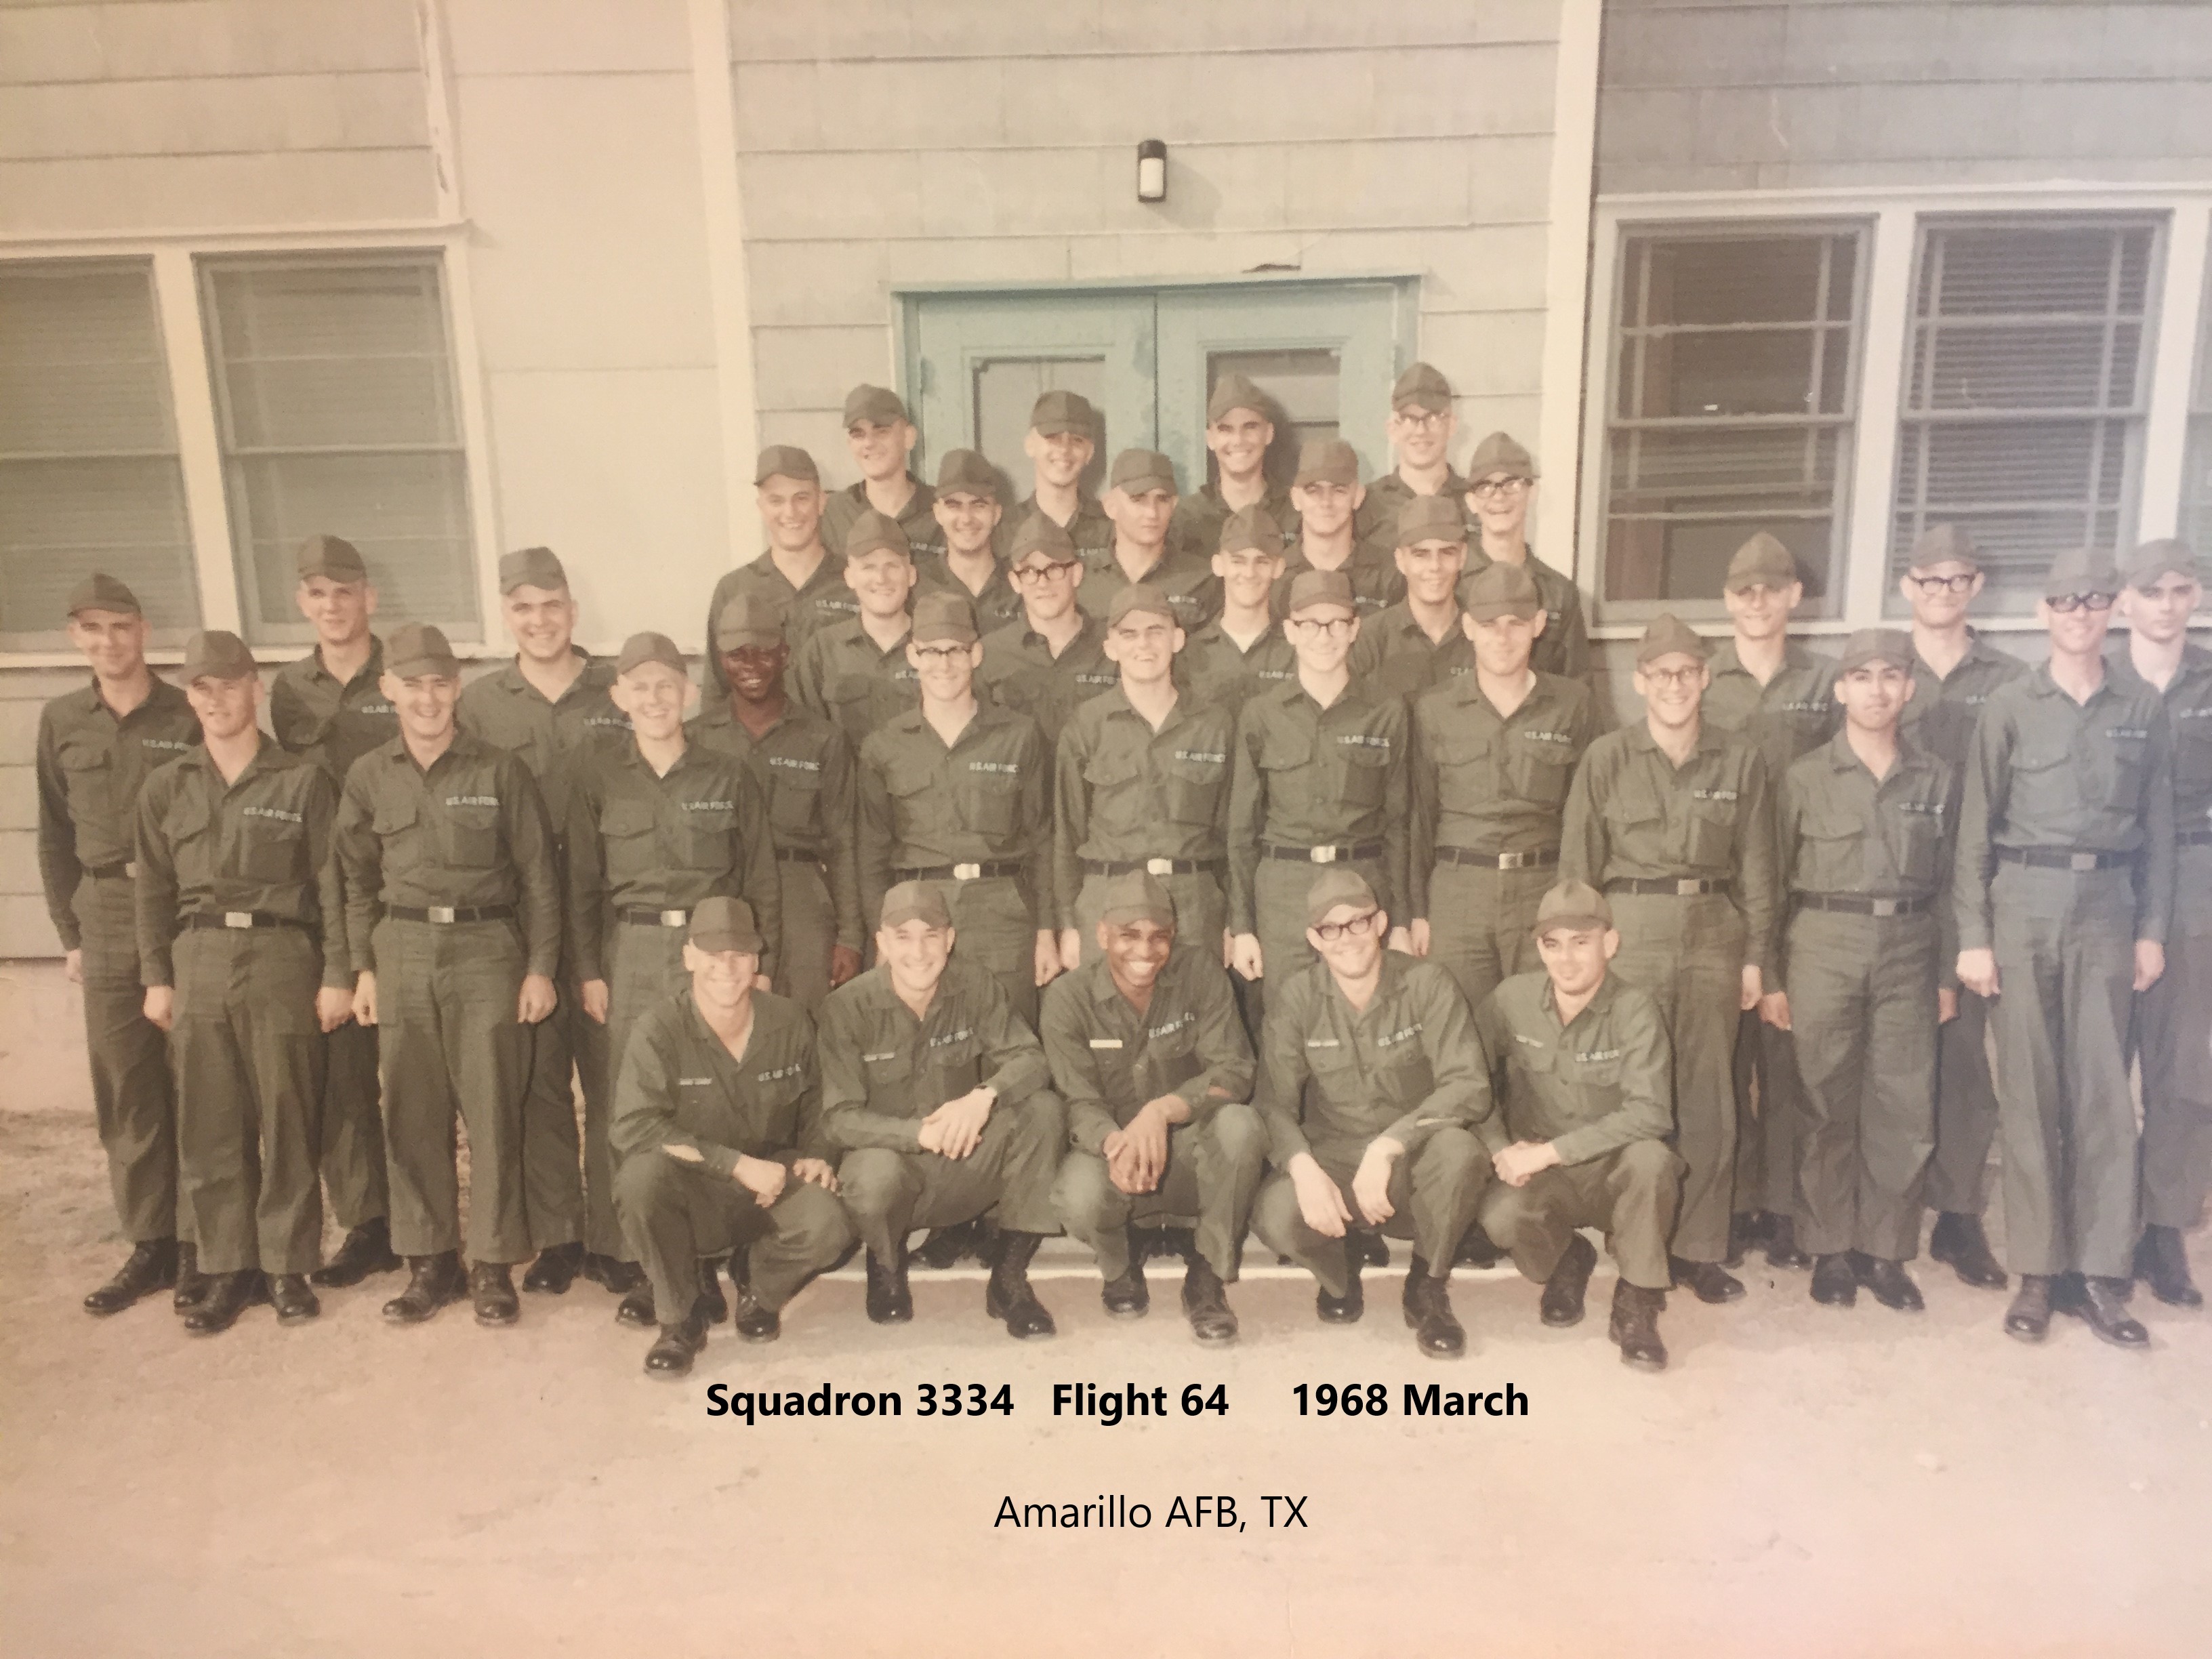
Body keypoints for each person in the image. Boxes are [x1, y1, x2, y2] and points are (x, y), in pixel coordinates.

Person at [1955, 549, 2175, 1348]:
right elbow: (1975, 829)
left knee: (2105, 1097)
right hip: (2025, 904)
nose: (2079, 613)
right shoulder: (2010, 704)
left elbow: (2159, 832)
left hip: (2109, 909)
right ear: (2042, 613)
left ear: (2112, 608)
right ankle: (2039, 1272)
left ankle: (2102, 1275)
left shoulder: (2141, 706)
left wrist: (2151, 930)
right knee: (2030, 1094)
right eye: (2064, 601)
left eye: (2093, 599)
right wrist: (1974, 937)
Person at [331, 623, 562, 1327]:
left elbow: (539, 877)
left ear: (457, 688)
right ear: (388, 690)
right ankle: (430, 1264)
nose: (427, 699)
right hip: (401, 949)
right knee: (412, 1112)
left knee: (492, 1109)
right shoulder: (368, 775)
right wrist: (362, 968)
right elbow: (353, 882)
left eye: (439, 684)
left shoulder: (499, 770)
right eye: (413, 685)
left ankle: (492, 1263)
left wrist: (540, 968)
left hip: (486, 948)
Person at [1561, 613, 1778, 1306]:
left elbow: (1759, 869)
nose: (1675, 686)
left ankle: (1701, 1249)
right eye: (1661, 675)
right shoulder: (1607, 758)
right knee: (1638, 1093)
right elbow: (1579, 871)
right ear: (1640, 682)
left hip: (1713, 932)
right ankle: (1639, 1245)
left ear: (1705, 677)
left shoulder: (1739, 759)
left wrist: (1756, 958)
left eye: (1687, 672)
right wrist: (1583, 954)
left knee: (1710, 1096)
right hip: (1631, 932)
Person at [134, 630, 344, 1334]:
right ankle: (229, 1267)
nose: (217, 699)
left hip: (281, 955)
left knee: (287, 1113)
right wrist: (157, 977)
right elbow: (152, 892)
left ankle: (286, 1265)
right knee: (211, 1119)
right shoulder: (167, 786)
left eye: (230, 684)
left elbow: (331, 885)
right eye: (202, 688)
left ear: (256, 688)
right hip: (198, 957)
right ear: (189, 698)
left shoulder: (303, 780)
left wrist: (337, 973)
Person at [567, 631, 780, 1320]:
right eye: (641, 687)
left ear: (688, 694)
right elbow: (582, 887)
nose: (655, 699)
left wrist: (759, 965)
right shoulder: (597, 776)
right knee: (629, 1106)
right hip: (632, 951)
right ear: (618, 697)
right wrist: (590, 970)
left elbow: (760, 879)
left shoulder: (728, 775)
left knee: (718, 1100)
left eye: (667, 685)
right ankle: (645, 1264)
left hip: (715, 955)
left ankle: (722, 1257)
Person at [1768, 630, 1954, 1313]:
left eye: (1891, 676)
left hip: (1910, 944)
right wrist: (1773, 974)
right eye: (1863, 677)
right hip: (1824, 943)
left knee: (1903, 1103)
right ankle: (1829, 1249)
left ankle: (1886, 1252)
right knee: (1824, 1099)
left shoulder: (1936, 778)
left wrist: (1946, 974)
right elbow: (1772, 880)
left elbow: (1955, 883)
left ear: (1909, 689)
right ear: (1841, 689)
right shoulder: (1804, 777)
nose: (1878, 690)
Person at [455, 546, 623, 1296]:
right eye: (523, 608)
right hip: (521, 918)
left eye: (551, 605)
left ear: (573, 611)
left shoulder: (615, 689)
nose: (540, 620)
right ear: (506, 616)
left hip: (606, 910)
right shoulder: (481, 705)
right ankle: (561, 1235)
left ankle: (616, 1235)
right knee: (542, 1082)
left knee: (612, 1075)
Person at [39, 573, 203, 1315]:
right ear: (76, 637)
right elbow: (53, 834)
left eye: (122, 626)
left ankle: (201, 1240)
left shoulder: (186, 711)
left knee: (196, 1080)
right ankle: (150, 1242)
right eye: (93, 628)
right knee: (127, 1085)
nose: (109, 642)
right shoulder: (62, 720)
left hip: (178, 908)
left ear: (144, 632)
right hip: (105, 912)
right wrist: (69, 935)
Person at [1249, 869, 1491, 1358]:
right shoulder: (1297, 997)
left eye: (1357, 923)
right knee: (1275, 1215)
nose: (1346, 939)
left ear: (1380, 923)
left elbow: (1469, 1086)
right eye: (1330, 929)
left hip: (1412, 1155)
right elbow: (1273, 1103)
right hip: (1335, 1156)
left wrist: (1389, 1145)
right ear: (1314, 939)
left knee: (1460, 1152)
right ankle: (1339, 1268)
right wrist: (1303, 1167)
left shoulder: (1427, 983)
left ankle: (1427, 1282)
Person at [609, 897, 853, 1377]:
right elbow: (635, 1125)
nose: (727, 969)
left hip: (771, 1182)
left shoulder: (789, 1020)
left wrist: (818, 1155)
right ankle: (679, 1319)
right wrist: (735, 1165)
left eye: (740, 955)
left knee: (830, 1223)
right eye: (713, 955)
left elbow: (819, 1101)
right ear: (688, 957)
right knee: (639, 1181)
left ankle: (757, 1286)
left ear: (757, 961)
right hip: (694, 1184)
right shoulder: (659, 1028)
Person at [819, 882, 1066, 1339]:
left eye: (930, 936)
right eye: (903, 937)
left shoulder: (975, 984)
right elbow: (838, 1119)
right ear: (882, 942)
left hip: (963, 1163)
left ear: (950, 939)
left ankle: (1009, 1280)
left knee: (1043, 1111)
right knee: (872, 1176)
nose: (918, 952)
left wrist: (983, 1097)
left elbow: (1031, 1059)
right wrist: (917, 1134)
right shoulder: (847, 1007)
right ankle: (886, 1265)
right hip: (896, 1174)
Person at [1042, 872, 1261, 1344]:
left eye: (1159, 936)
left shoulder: (1200, 973)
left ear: (1173, 936)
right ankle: (1119, 1264)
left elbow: (1235, 1071)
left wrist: (1163, 1110)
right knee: (1077, 1196)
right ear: (1102, 935)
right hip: (1114, 1152)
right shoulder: (1069, 997)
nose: (1145, 950)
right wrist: (1115, 1144)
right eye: (1129, 935)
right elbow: (1078, 1100)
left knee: (1240, 1127)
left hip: (1187, 1149)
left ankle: (1207, 1274)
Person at [1896, 524, 2027, 1292]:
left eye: (1956, 579)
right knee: (1890, 1054)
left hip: (1975, 888)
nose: (1942, 592)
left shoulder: (2009, 678)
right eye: (1928, 579)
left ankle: (1958, 1215)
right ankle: (1880, 1207)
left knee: (1966, 1060)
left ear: (1975, 586)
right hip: (1894, 881)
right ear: (1907, 587)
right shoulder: (1879, 669)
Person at [1703, 532, 1839, 1274]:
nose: (1757, 603)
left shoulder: (1824, 684)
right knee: (1725, 1056)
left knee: (1788, 1055)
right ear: (1728, 600)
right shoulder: (1704, 680)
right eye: (1744, 591)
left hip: (1807, 884)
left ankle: (1785, 1207)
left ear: (1794, 596)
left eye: (1771, 590)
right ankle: (1734, 1201)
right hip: (1724, 886)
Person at [268, 535, 401, 1294]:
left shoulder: (403, 675)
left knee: (419, 1070)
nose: (332, 606)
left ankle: (430, 1221)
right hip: (322, 893)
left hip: (400, 886)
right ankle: (368, 1222)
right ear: (302, 602)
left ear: (368, 598)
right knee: (346, 1070)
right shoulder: (290, 691)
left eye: (344, 591)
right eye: (317, 593)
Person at [1473, 880, 1679, 1370]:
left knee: (1653, 1161)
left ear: (1610, 943)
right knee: (1500, 1218)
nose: (1566, 960)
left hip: (1613, 1169)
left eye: (1581, 942)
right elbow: (1468, 1078)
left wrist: (1548, 1153)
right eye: (1553, 944)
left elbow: (1651, 1112)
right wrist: (1501, 1148)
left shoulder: (1635, 1008)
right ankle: (1568, 1257)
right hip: (1545, 1172)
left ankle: (1637, 1297)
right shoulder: (1512, 998)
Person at [1407, 560, 1603, 1013]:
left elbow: (1587, 818)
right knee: (1459, 1027)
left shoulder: (1573, 705)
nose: (1503, 637)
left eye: (1516, 623)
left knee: (1541, 1026)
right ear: (1468, 628)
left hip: (1542, 889)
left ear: (1538, 624)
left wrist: (1576, 906)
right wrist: (1417, 911)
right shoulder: (1435, 708)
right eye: (1489, 624)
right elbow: (1417, 815)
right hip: (1459, 894)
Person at [857, 590, 1056, 1026]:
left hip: (1002, 913)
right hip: (917, 917)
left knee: (1012, 1034)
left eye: (956, 651)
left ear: (976, 654)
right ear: (913, 655)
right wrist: (881, 935)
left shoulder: (1019, 736)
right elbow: (871, 853)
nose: (943, 664)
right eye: (931, 651)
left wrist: (1047, 930)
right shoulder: (883, 746)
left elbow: (1043, 839)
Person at [1227, 569, 1410, 1000]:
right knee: (1287, 1014)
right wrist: (1243, 926)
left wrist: (1401, 918)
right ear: (1290, 631)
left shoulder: (1386, 712)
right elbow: (1242, 829)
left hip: (1362, 882)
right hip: (1285, 890)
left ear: (1354, 629)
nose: (1324, 637)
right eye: (1310, 624)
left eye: (1336, 623)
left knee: (1366, 1010)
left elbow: (1401, 823)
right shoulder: (1262, 715)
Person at [2110, 538, 2211, 1309]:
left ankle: (2165, 1227)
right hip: (2110, 876)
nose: (2167, 605)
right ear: (2125, 603)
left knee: (2182, 1064)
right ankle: (2103, 1223)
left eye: (2181, 590)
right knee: (2099, 1062)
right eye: (2152, 591)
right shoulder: (2097, 679)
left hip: (2195, 879)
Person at [689, 592, 863, 1013]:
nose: (751, 666)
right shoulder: (696, 738)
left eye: (764, 653)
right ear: (720, 659)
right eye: (737, 655)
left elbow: (843, 842)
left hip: (800, 895)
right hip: (722, 891)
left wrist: (850, 936)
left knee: (805, 1020)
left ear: (785, 655)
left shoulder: (823, 738)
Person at [1052, 585, 1235, 970]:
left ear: (1177, 639)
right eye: (1129, 634)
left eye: (1155, 631)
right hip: (1108, 900)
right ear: (1110, 647)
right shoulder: (1087, 725)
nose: (1144, 645)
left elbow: (1233, 834)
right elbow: (1067, 832)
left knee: (1196, 1006)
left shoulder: (1214, 725)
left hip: (1194, 904)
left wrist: (1236, 922)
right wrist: (1068, 924)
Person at [702, 446, 853, 697]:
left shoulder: (856, 583)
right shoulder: (734, 589)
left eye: (801, 498)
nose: (790, 512)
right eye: (776, 501)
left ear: (821, 501)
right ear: (761, 506)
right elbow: (716, 692)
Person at [976, 514, 1118, 754]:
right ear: (1015, 581)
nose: (1042, 583)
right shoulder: (990, 654)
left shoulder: (1113, 646)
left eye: (1054, 569)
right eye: (1029, 571)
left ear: (1076, 574)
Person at [1456, 432, 1591, 681]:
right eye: (1485, 487)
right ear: (1471, 501)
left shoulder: (1559, 593)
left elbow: (1578, 686)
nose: (1499, 497)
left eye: (1512, 484)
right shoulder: (1450, 582)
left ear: (1532, 492)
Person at [790, 509, 922, 750]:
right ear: (849, 577)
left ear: (911, 575)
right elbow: (805, 741)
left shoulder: (936, 649)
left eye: (892, 566)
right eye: (868, 567)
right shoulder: (821, 651)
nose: (881, 578)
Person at [1345, 497, 1473, 703]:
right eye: (1421, 554)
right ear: (1400, 560)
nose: (1435, 566)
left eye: (1447, 552)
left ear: (1463, 556)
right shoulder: (1370, 640)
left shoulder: (1486, 634)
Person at [1082, 448, 1221, 633]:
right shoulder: (1081, 579)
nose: (1152, 513)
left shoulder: (1203, 579)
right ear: (1110, 506)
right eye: (1138, 499)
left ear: (1174, 505)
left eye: (1162, 499)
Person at [1168, 373, 1296, 565]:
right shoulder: (1185, 517)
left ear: (1269, 433)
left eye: (1250, 427)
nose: (1238, 440)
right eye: (1225, 429)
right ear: (1210, 438)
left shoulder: (1296, 511)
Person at [1350, 363, 1467, 571]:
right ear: (1392, 429)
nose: (1421, 431)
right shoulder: (1366, 506)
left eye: (1433, 417)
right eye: (1409, 419)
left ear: (1452, 425)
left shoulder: (1475, 502)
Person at [1181, 506, 1297, 716]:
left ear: (1278, 568)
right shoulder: (1190, 653)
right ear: (1218, 565)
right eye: (1238, 561)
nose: (1249, 573)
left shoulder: (1296, 650)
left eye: (1262, 562)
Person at [1275, 437, 1398, 623]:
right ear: (1296, 498)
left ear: (1358, 496)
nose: (1326, 502)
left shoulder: (1390, 575)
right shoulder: (1275, 574)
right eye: (1313, 490)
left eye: (1339, 490)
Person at [819, 384, 944, 563]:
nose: (869, 443)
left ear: (908, 437)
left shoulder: (943, 510)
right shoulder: (834, 513)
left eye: (882, 432)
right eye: (859, 435)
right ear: (850, 444)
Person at [919, 447, 1021, 632]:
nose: (966, 518)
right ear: (938, 513)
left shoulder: (1022, 585)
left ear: (996, 514)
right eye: (954, 506)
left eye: (978, 505)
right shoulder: (919, 587)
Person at [1018, 389, 1113, 555]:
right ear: (1030, 445)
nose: (1064, 449)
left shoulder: (1111, 526)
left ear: (1089, 452)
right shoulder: (1006, 529)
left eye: (1077, 440)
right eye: (1053, 438)